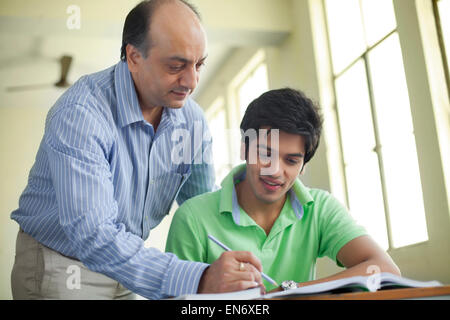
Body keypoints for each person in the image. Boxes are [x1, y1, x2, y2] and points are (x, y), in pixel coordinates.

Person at [10, 0, 264, 300]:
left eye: (199, 65)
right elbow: (94, 236)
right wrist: (198, 278)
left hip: (127, 261)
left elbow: (201, 205)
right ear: (133, 56)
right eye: (176, 66)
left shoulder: (191, 119)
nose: (192, 81)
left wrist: (238, 268)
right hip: (64, 264)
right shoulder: (81, 114)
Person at [165, 88, 401, 292]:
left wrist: (291, 291)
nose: (275, 171)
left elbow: (386, 270)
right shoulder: (192, 218)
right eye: (265, 153)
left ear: (303, 166)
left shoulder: (319, 209)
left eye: (291, 160)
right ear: (244, 148)